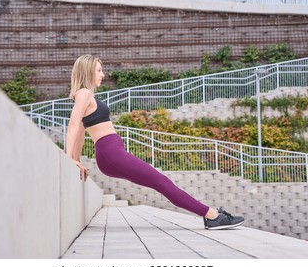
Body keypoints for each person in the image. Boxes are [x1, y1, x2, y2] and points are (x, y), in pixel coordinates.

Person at [65, 54, 244, 230]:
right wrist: (69, 158)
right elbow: (73, 124)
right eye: (99, 70)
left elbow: (80, 131)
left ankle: (211, 215)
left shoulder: (87, 96)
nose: (102, 75)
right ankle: (212, 216)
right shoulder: (85, 93)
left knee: (160, 183)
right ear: (87, 71)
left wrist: (77, 159)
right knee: (162, 182)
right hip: (111, 153)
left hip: (111, 153)